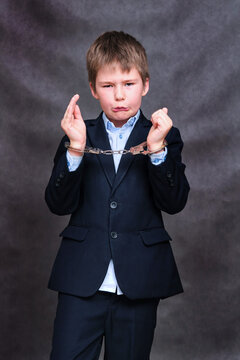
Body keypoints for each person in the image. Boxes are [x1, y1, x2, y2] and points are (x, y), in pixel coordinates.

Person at [45, 30, 190, 360]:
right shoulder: (80, 133)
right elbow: (57, 204)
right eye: (108, 86)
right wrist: (76, 150)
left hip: (139, 280)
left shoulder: (163, 135)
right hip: (81, 280)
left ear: (146, 85)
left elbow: (175, 202)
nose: (119, 95)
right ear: (94, 89)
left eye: (129, 84)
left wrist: (157, 151)